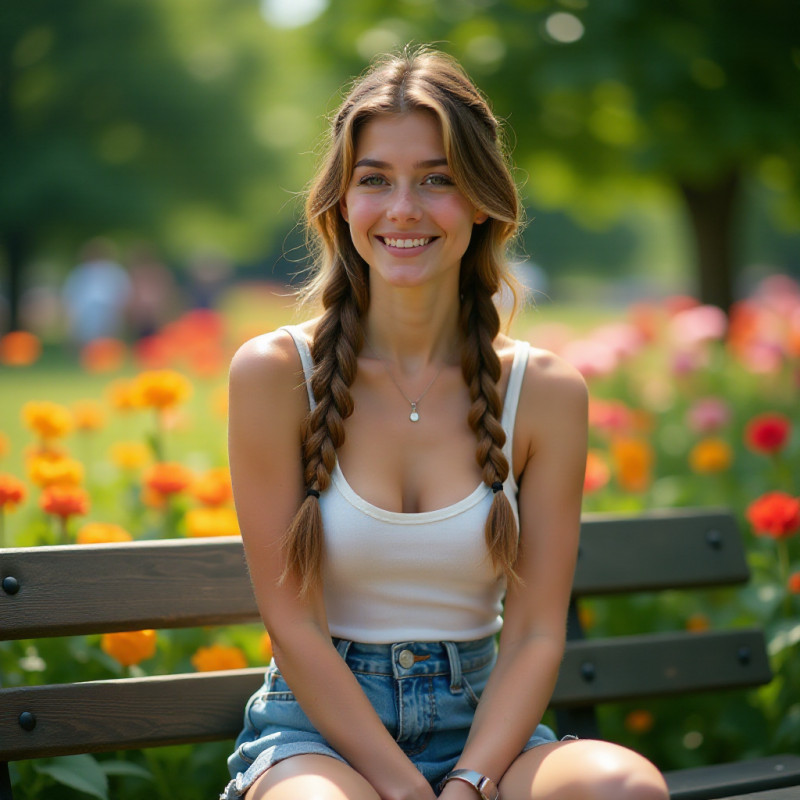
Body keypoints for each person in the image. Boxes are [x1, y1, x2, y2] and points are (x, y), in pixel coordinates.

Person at [223, 47, 669, 800]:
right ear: (340, 204)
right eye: (375, 180)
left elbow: (532, 633)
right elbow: (292, 627)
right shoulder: (276, 376)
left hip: (486, 728)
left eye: (437, 179)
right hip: (320, 739)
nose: (404, 208)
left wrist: (467, 783)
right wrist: (403, 789)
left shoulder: (544, 392)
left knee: (624, 789)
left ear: (484, 200)